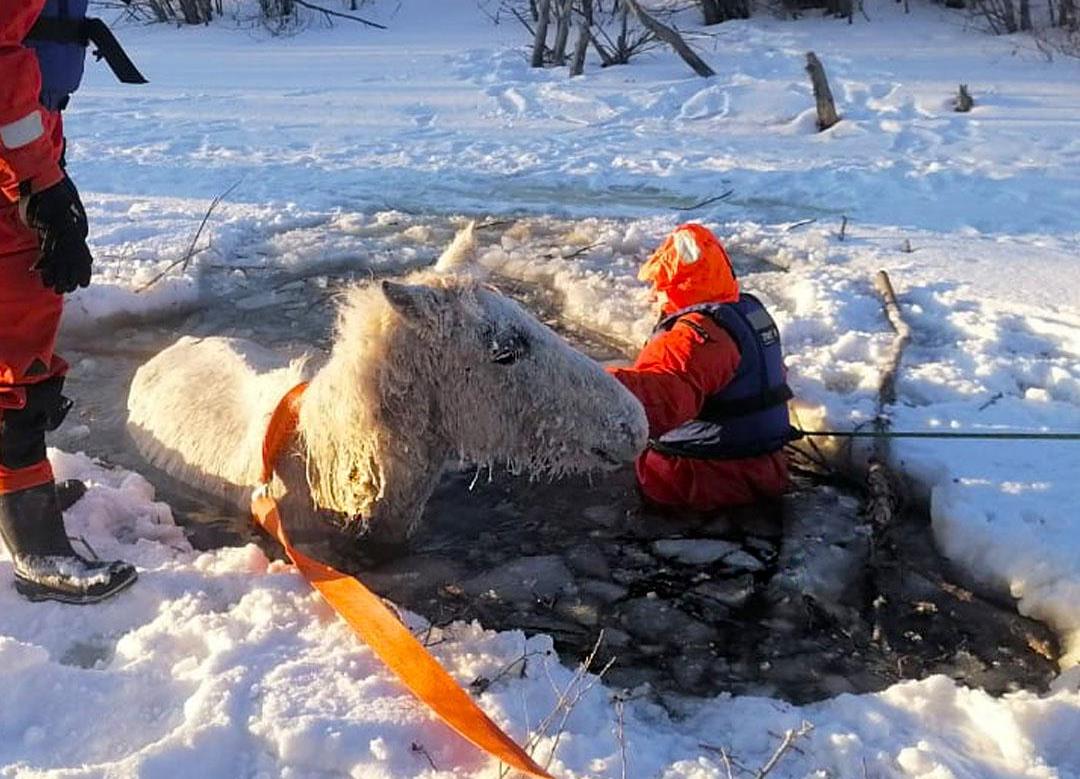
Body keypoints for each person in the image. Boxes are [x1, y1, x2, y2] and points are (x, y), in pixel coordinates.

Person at [0, 1, 145, 603]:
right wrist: (40, 183)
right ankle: (35, 541)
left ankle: (19, 492)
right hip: (12, 145)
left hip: (26, 130)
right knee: (18, 341)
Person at [607, 223, 793, 513]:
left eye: (660, 285)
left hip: (696, 481)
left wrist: (586, 382)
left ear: (676, 285)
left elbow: (660, 403)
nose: (654, 295)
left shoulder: (694, 336)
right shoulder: (747, 315)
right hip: (766, 470)